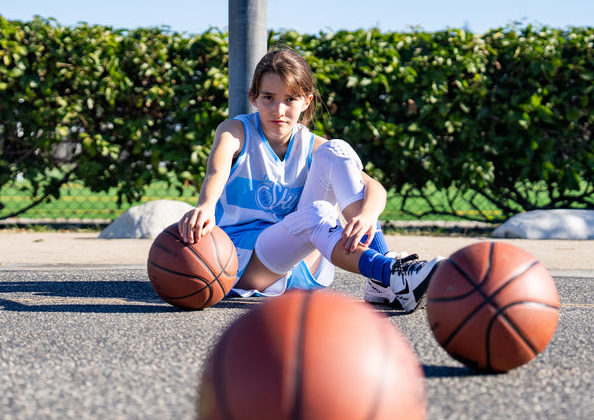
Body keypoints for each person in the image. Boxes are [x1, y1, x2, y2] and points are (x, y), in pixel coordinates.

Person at [178, 47, 443, 313]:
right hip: (242, 261)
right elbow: (217, 168)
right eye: (268, 97)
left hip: (302, 260)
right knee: (317, 213)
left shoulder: (310, 144)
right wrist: (206, 205)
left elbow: (374, 187)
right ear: (253, 97)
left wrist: (367, 216)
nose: (278, 110)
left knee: (336, 150)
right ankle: (392, 273)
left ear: (306, 101)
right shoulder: (236, 131)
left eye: (290, 99)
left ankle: (381, 277)